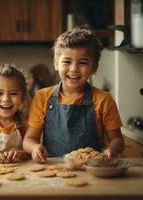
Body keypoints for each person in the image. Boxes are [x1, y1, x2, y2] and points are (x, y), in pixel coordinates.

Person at [23, 28, 125, 163]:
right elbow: (29, 140)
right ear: (56, 63)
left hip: (92, 168)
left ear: (94, 67)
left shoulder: (103, 100)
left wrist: (111, 149)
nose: (74, 69)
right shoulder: (42, 97)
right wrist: (35, 148)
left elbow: (117, 140)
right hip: (54, 168)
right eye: (67, 61)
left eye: (83, 63)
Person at [0, 64, 30, 163]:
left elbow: (30, 151)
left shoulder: (26, 121)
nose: (6, 99)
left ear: (23, 97)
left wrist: (19, 154)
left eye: (13, 93)